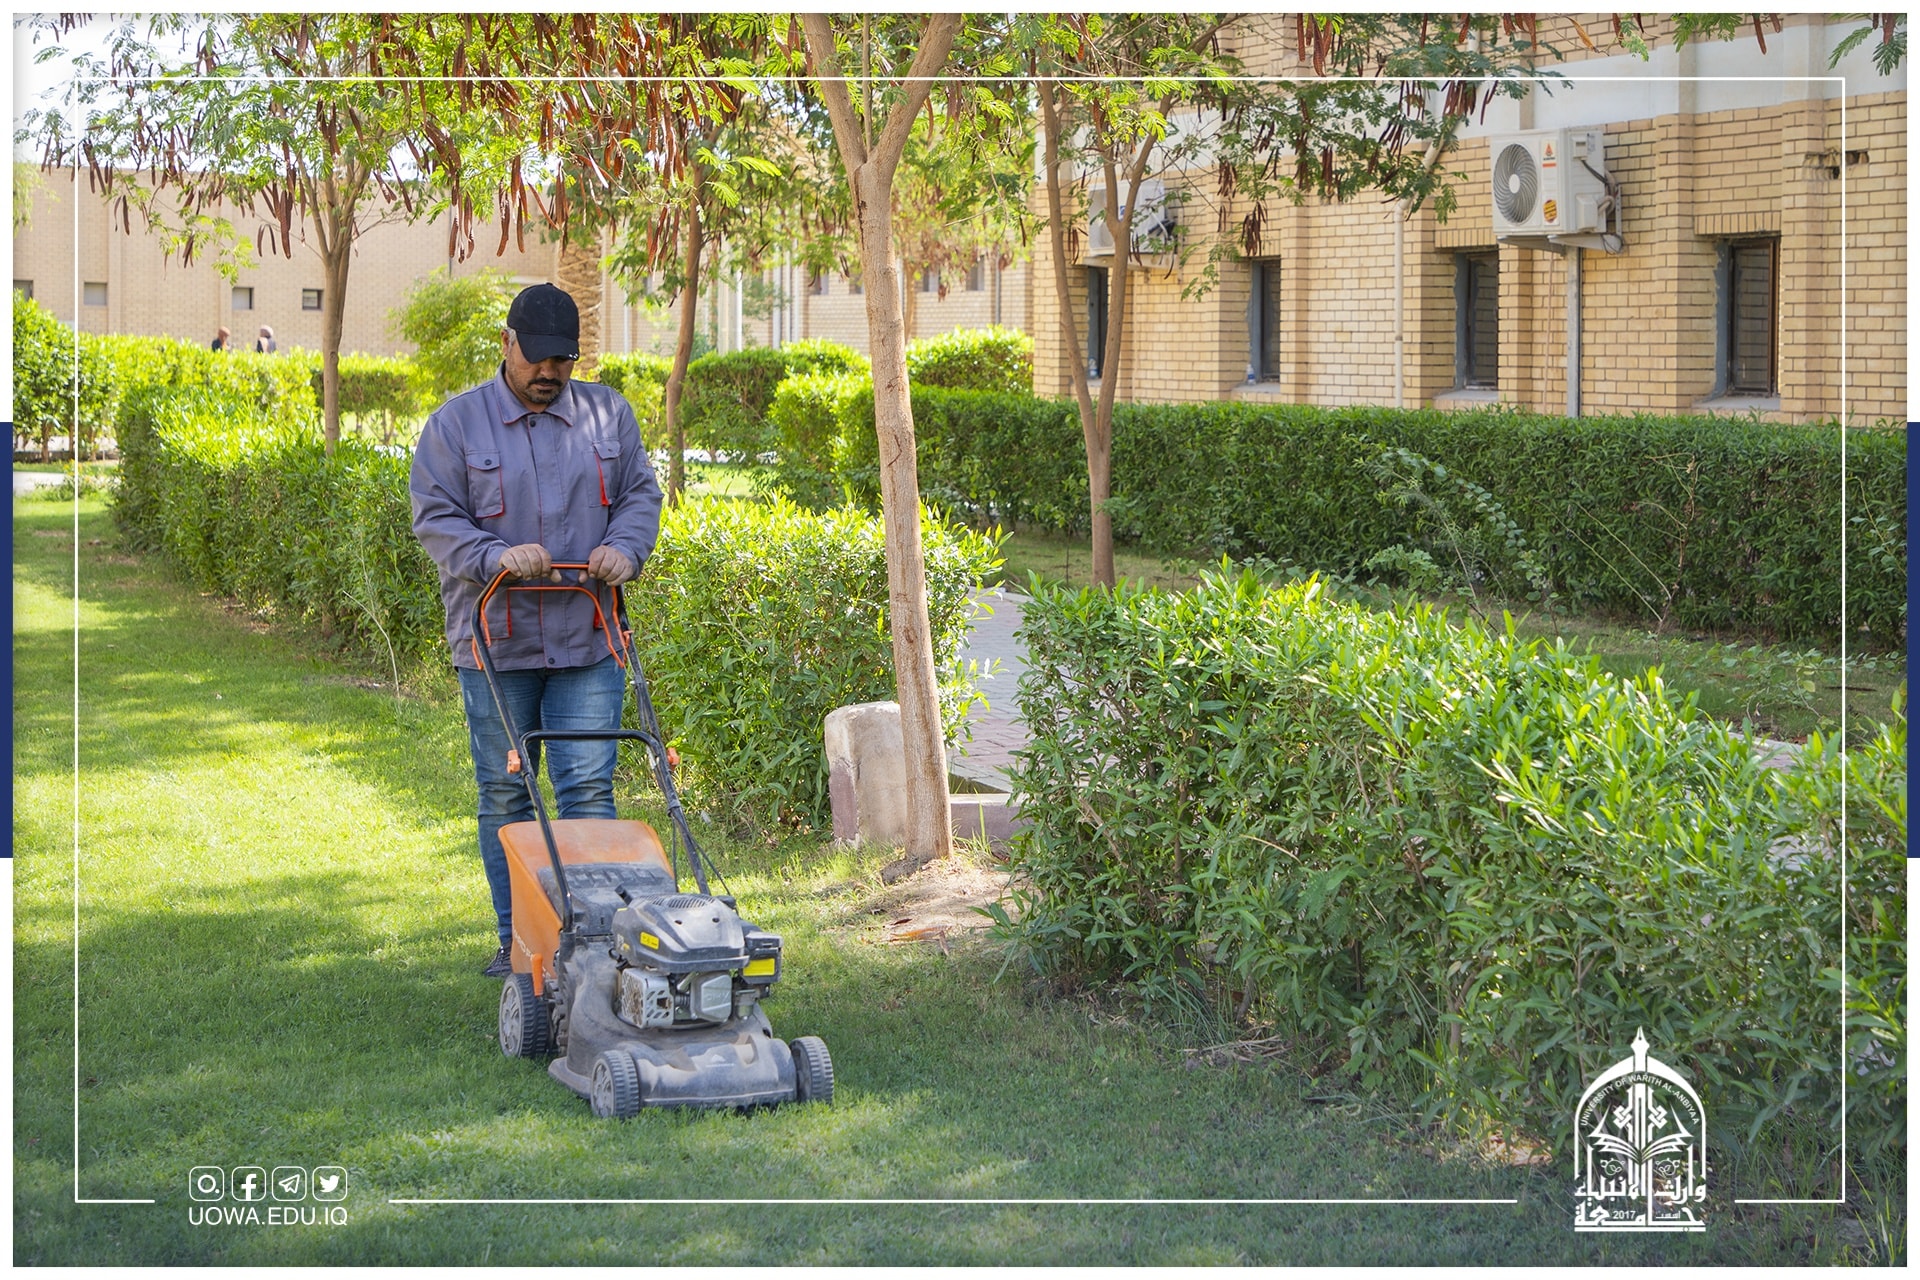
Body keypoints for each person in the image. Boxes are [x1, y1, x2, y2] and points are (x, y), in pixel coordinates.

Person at [410, 283, 662, 978]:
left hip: (589, 639)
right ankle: (519, 944)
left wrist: (626, 547)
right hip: (498, 641)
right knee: (506, 794)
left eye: (563, 360)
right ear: (507, 343)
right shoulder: (456, 426)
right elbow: (436, 517)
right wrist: (494, 556)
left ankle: (596, 949)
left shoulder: (609, 415)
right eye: (537, 358)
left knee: (588, 790)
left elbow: (640, 494)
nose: (549, 372)